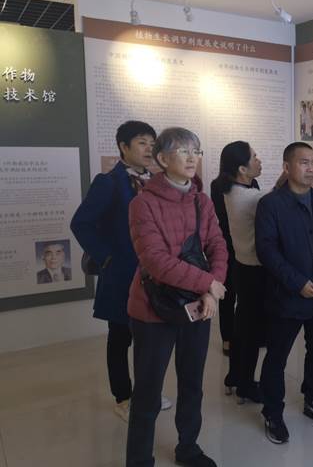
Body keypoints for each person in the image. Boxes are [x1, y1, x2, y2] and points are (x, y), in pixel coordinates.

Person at [126, 127, 228, 467]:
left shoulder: (202, 200)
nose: (191, 157)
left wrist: (210, 290)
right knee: (147, 392)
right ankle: (139, 460)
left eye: (196, 151)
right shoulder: (143, 203)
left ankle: (188, 448)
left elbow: (217, 245)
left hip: (199, 306)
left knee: (192, 384)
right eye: (183, 151)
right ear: (162, 158)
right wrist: (208, 284)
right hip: (154, 310)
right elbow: (155, 261)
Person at [71, 120, 172, 422]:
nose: (149, 149)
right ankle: (123, 397)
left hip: (154, 274)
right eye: (142, 142)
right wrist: (106, 259)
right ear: (123, 147)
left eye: (152, 143)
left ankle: (147, 392)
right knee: (119, 337)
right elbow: (81, 223)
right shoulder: (109, 182)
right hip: (121, 275)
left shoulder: (157, 181)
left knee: (150, 338)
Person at [255, 142, 313, 445]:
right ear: (287, 167)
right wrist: (297, 283)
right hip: (287, 297)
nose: (311, 168)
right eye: (304, 162)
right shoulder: (271, 204)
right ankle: (272, 412)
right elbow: (267, 251)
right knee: (277, 356)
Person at [219, 141, 276, 403]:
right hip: (255, 272)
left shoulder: (231, 190)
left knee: (242, 326)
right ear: (242, 168)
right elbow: (276, 200)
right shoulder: (251, 197)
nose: (259, 160)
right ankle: (246, 385)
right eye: (254, 157)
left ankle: (234, 376)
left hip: (241, 267)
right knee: (252, 332)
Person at [210, 148, 238, 361]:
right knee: (228, 294)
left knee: (247, 295)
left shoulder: (253, 183)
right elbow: (224, 215)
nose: (257, 160)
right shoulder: (218, 185)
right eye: (253, 157)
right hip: (228, 243)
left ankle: (246, 334)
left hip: (247, 245)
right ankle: (227, 338)